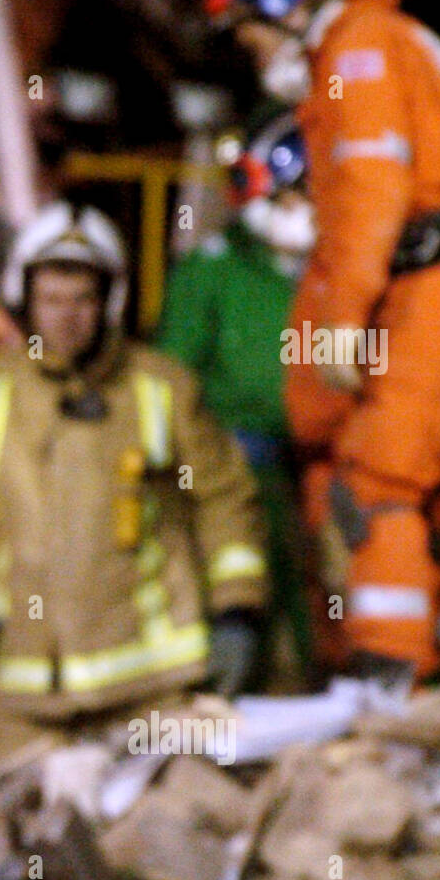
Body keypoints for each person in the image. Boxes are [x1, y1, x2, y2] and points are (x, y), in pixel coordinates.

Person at [208, 0, 440, 715]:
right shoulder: (397, 37)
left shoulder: (354, 50)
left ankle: (380, 684)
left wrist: (345, 317)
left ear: (285, 8)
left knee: (375, 481)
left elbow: (367, 188)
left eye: (252, 36)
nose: (256, 57)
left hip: (438, 278)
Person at [0, 202, 268, 763]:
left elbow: (225, 498)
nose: (66, 316)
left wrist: (238, 607)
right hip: (26, 681)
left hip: (152, 679)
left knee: (157, 832)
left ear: (110, 302)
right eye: (51, 299)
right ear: (24, 300)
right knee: (4, 832)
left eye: (83, 300)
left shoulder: (160, 388)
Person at [156, 111, 316, 686]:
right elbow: (172, 379)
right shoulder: (216, 270)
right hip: (234, 472)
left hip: (317, 473)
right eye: (297, 194)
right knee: (238, 611)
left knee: (314, 624)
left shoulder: (334, 275)